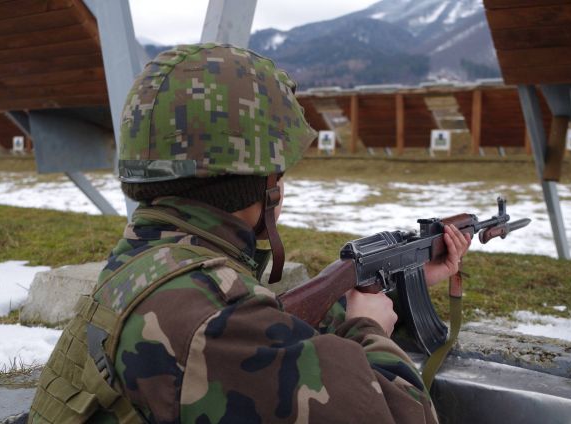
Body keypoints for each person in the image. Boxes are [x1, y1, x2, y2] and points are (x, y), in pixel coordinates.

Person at [29, 43, 470, 424]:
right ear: (259, 184)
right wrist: (368, 326)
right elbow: (404, 414)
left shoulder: (151, 258)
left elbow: (270, 330)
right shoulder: (213, 322)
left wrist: (395, 285)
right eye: (280, 172)